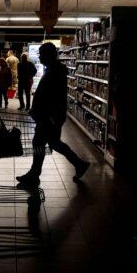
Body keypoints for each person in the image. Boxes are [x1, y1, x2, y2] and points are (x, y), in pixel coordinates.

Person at [16, 42, 90, 186]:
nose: (40, 57)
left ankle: (34, 174)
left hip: (49, 117)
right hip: (50, 116)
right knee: (54, 143)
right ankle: (79, 164)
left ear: (48, 55)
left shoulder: (55, 72)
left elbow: (54, 97)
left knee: (39, 142)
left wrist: (48, 116)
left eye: (42, 54)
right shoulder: (53, 70)